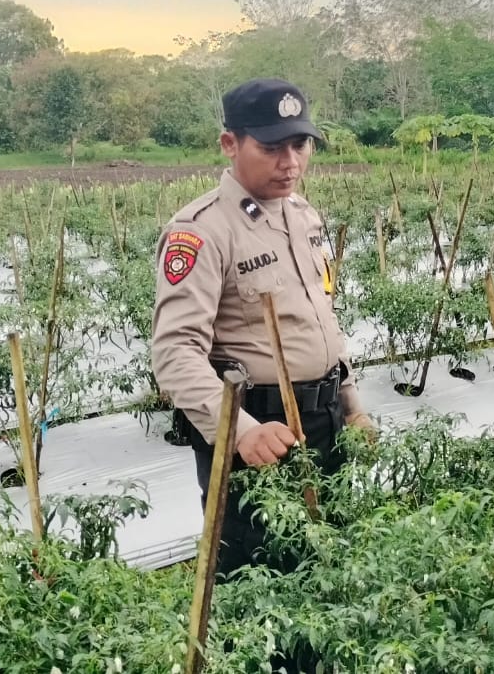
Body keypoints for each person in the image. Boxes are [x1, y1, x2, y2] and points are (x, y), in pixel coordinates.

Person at [151, 77, 373, 575]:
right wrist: (241, 433)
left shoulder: (303, 215)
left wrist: (351, 403)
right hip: (259, 431)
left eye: (301, 145)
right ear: (230, 144)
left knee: (329, 565)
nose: (290, 162)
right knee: (261, 575)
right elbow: (175, 352)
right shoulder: (202, 230)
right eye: (272, 148)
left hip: (324, 420)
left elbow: (321, 315)